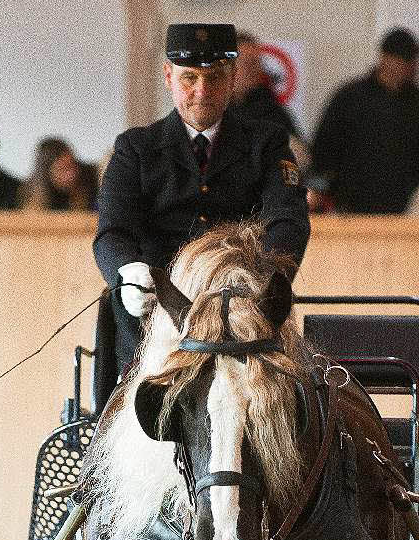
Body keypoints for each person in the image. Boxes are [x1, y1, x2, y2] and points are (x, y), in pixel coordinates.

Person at [94, 23, 310, 371]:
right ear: (168, 76)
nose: (202, 90)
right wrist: (126, 271)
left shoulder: (267, 143)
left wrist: (265, 280)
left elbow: (287, 220)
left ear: (233, 76)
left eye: (215, 77)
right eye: (189, 78)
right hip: (157, 310)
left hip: (242, 311)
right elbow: (113, 231)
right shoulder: (135, 149)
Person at [307, 28, 419, 214]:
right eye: (404, 59)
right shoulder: (349, 98)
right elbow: (323, 151)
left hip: (410, 214)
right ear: (384, 58)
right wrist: (319, 189)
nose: (411, 66)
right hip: (351, 209)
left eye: (412, 60)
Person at [232, 31, 310, 169]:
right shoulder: (209, 107)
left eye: (258, 63)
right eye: (248, 64)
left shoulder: (270, 109)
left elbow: (299, 157)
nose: (256, 70)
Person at [19, 137, 98, 211]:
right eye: (63, 169)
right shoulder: (35, 192)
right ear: (47, 174)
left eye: (73, 165)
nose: (72, 174)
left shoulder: (92, 176)